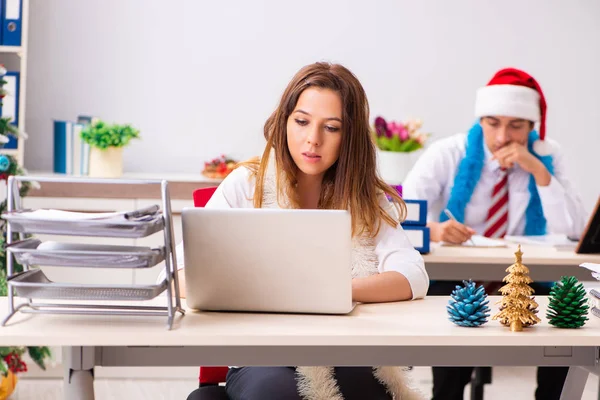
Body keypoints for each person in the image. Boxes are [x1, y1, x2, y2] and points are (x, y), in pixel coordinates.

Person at [182, 62, 429, 400]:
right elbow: (185, 274)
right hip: (262, 352)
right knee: (277, 393)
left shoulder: (365, 198)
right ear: (284, 121)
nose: (313, 139)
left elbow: (413, 277)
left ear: (349, 136)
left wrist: (329, 292)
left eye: (331, 127)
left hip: (343, 350)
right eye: (301, 122)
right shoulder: (246, 185)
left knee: (368, 391)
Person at [402, 68, 588, 400]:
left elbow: (573, 230)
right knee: (451, 321)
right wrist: (437, 229)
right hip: (460, 274)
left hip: (527, 274)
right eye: (492, 123)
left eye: (516, 125)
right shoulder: (449, 153)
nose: (503, 136)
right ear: (480, 121)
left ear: (533, 127)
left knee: (566, 312)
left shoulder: (547, 155)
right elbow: (400, 215)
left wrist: (538, 171)